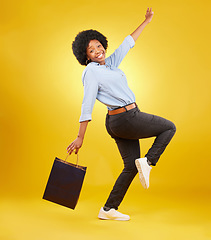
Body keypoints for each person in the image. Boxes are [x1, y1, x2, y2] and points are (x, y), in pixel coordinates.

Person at [67, 7, 176, 221]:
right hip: (125, 118)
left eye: (99, 45)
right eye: (91, 50)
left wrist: (146, 21)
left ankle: (108, 209)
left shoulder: (109, 65)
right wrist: (80, 136)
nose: (98, 50)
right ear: (85, 56)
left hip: (119, 120)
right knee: (169, 127)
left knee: (130, 166)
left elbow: (127, 44)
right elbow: (86, 104)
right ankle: (149, 161)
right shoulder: (91, 71)